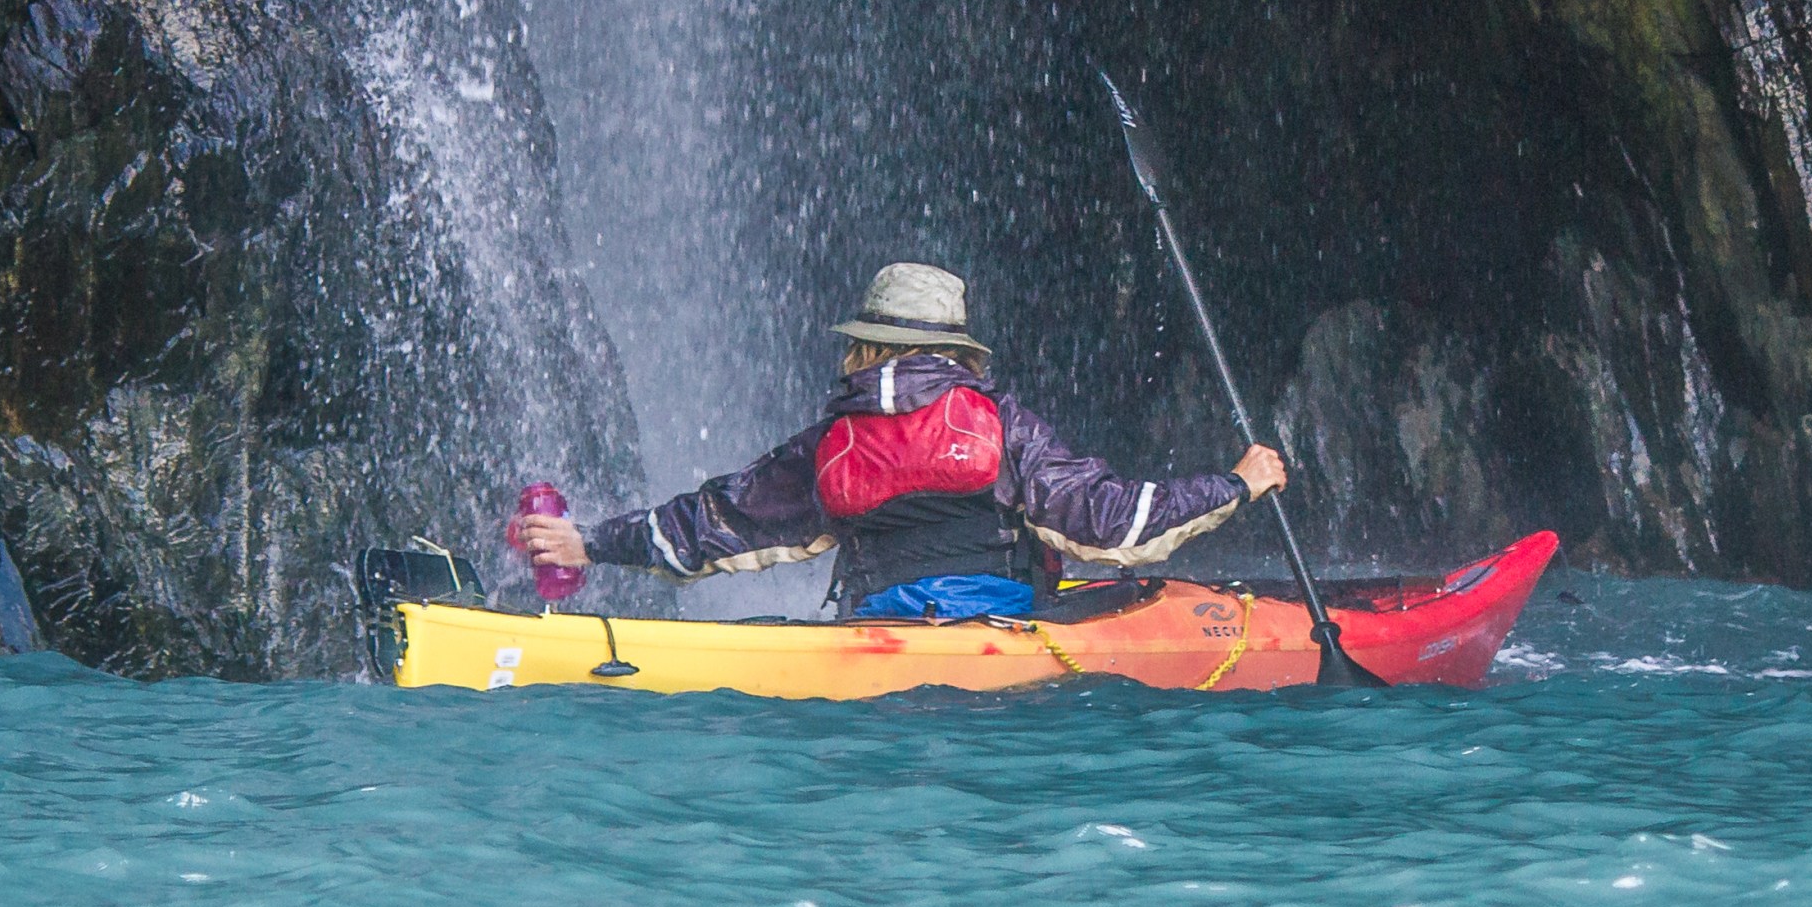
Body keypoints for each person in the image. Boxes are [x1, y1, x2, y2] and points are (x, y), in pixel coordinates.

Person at [514, 262, 1288, 620]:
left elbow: (715, 523)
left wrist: (588, 542)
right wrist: (1236, 484)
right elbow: (1109, 519)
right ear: (958, 351)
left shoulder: (833, 440)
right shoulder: (1001, 422)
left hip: (876, 640)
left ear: (866, 347)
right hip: (1006, 649)